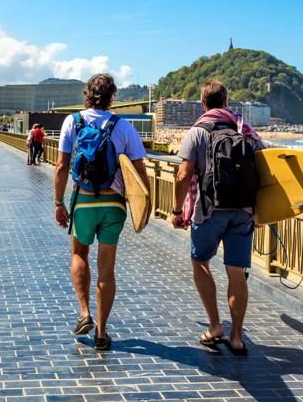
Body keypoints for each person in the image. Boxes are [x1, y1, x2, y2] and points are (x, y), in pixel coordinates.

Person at [54, 73, 149, 351]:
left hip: (83, 201)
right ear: (112, 98)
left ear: (87, 94)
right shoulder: (124, 126)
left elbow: (61, 166)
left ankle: (84, 313)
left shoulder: (73, 121)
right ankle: (102, 333)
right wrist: (145, 207)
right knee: (107, 267)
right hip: (114, 204)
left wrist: (59, 202)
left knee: (78, 253)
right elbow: (139, 170)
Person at [172, 80, 263, 356]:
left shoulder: (198, 131)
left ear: (203, 104)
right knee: (237, 273)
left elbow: (183, 174)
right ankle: (236, 337)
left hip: (208, 209)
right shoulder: (246, 130)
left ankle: (214, 327)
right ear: (226, 101)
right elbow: (268, 171)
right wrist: (262, 212)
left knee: (200, 263)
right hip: (243, 211)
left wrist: (177, 211)